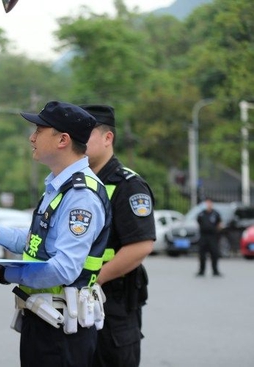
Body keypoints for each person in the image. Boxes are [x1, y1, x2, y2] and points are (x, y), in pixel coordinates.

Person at [0, 101, 112, 367]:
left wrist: (4, 272)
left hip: (61, 331)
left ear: (63, 140)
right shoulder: (59, 186)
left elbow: (64, 268)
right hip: (45, 320)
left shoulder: (80, 196)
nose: (32, 138)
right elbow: (37, 242)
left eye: (39, 130)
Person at [79, 104, 155, 367]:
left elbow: (141, 245)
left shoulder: (128, 185)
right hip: (77, 302)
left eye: (85, 134)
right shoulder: (77, 184)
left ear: (107, 138)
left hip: (112, 302)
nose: (78, 141)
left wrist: (93, 282)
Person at [196, 198, 222, 276]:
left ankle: (215, 270)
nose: (208, 205)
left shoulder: (215, 214)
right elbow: (198, 222)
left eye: (210, 203)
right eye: (207, 203)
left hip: (212, 236)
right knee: (202, 254)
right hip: (203, 236)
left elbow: (219, 224)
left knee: (214, 253)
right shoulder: (201, 214)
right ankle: (201, 270)